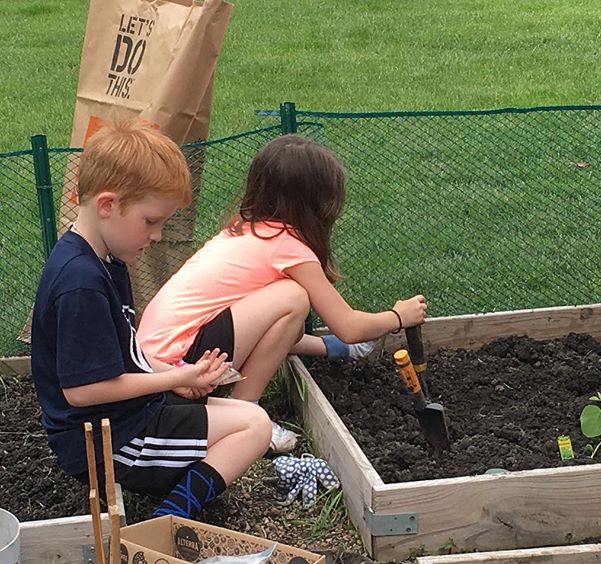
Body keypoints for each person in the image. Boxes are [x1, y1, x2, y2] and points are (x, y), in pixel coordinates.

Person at [30, 120, 271, 521]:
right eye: (150, 221)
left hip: (123, 419)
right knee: (254, 427)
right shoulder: (82, 283)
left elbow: (123, 352)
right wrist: (175, 380)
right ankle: (172, 516)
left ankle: (175, 496)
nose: (156, 235)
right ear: (108, 205)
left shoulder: (102, 259)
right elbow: (84, 391)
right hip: (109, 443)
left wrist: (184, 374)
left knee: (247, 419)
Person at [137, 134, 427, 452]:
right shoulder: (287, 246)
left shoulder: (247, 228)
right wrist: (398, 317)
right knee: (293, 298)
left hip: (152, 363)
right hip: (176, 372)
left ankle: (323, 356)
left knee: (284, 302)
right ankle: (244, 412)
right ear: (315, 203)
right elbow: (349, 326)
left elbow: (262, 331)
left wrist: (337, 348)